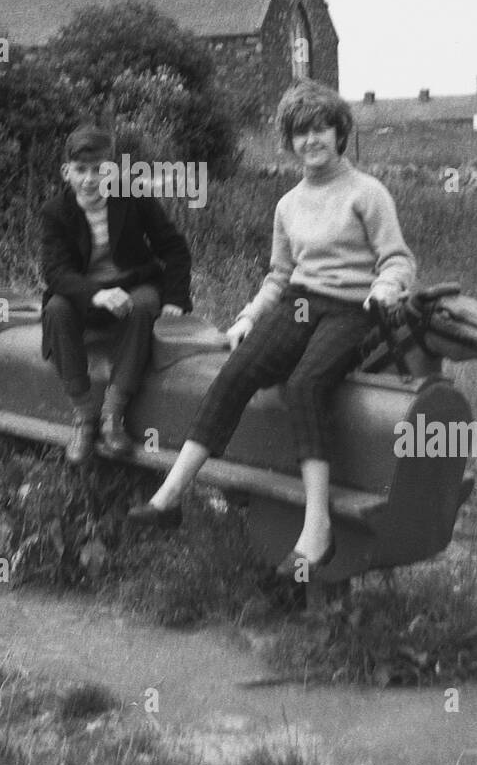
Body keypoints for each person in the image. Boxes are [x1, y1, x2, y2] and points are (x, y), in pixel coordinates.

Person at [126, 80, 416, 579]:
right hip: (301, 305)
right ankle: (172, 494)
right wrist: (247, 318)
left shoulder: (368, 193)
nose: (311, 141)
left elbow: (397, 260)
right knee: (237, 371)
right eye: (300, 133)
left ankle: (317, 527)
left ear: (339, 132)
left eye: (320, 128)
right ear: (290, 142)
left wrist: (387, 289)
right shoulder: (288, 204)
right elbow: (280, 276)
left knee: (305, 385)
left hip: (353, 308)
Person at [41, 123, 193, 466]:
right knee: (56, 309)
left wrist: (175, 299)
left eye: (100, 170)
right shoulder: (55, 212)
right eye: (81, 170)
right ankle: (85, 416)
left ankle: (113, 414)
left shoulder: (133, 197)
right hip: (85, 295)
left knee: (144, 304)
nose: (90, 179)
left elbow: (174, 248)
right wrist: (96, 294)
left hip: (132, 286)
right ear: (67, 172)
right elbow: (56, 272)